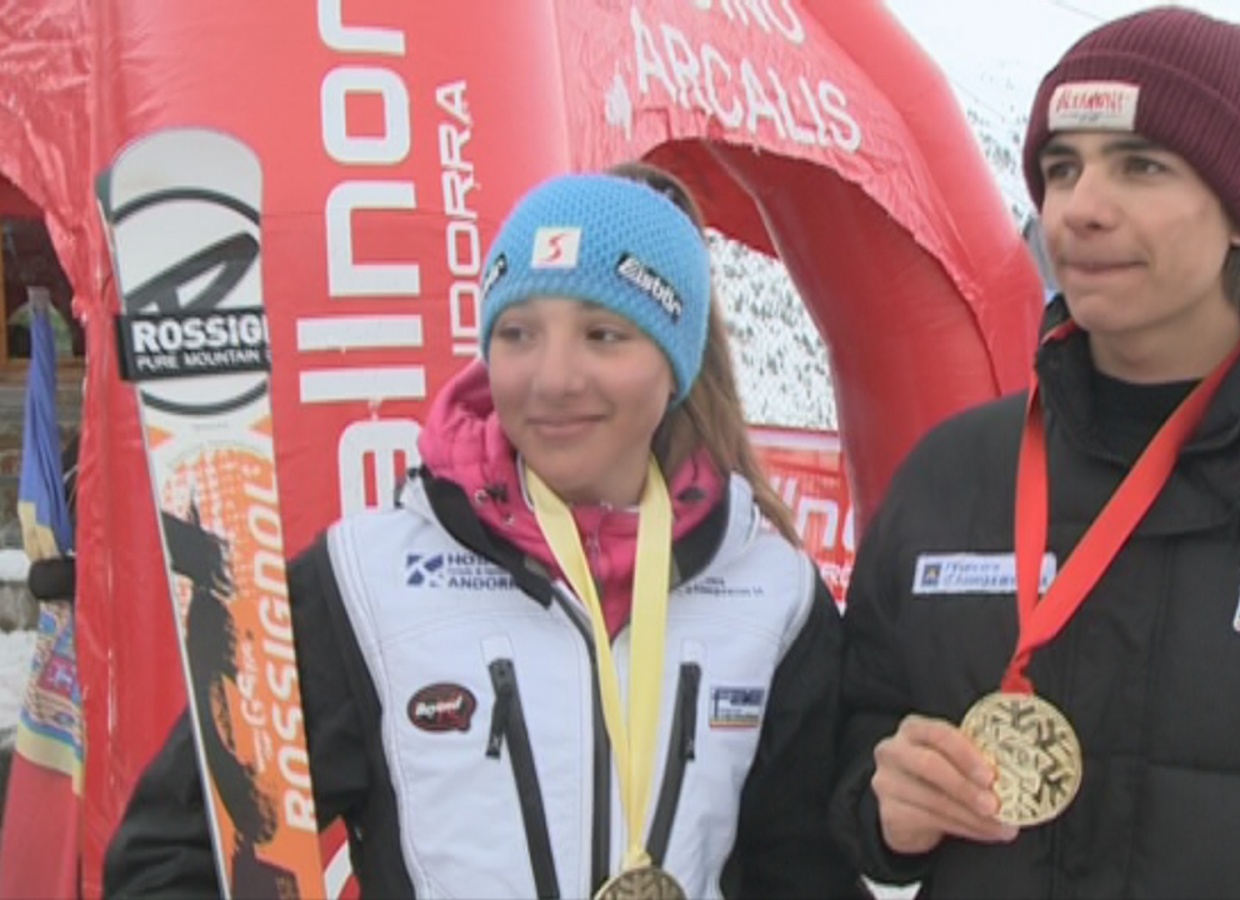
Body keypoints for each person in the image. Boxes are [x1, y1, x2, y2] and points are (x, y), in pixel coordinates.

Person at [831, 7, 1240, 897]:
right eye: (1061, 169)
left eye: (1140, 166)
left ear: (1239, 217)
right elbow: (844, 777)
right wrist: (885, 811)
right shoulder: (951, 477)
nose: (1082, 209)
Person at [105, 164, 863, 899]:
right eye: (518, 334)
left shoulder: (770, 595)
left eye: (603, 335)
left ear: (676, 365)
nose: (553, 378)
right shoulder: (366, 585)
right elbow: (176, 856)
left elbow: (800, 871)